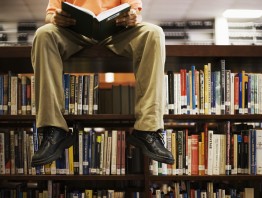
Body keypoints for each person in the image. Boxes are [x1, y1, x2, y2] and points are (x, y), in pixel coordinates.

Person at [31, 0, 174, 167]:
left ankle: (148, 129)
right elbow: (50, 14)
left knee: (154, 33)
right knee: (43, 34)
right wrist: (55, 19)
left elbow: (134, 12)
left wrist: (133, 18)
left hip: (118, 33)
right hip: (74, 32)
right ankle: (53, 129)